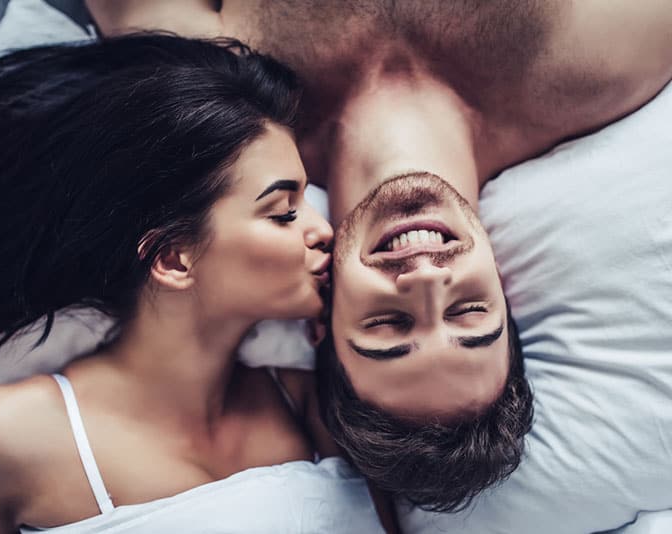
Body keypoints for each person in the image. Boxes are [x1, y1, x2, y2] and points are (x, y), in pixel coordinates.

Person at [85, 0, 672, 512]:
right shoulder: (606, 64)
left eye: (388, 323)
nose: (425, 282)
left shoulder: (219, 95)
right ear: (503, 286)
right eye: (470, 313)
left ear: (321, 322)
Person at [0, 8, 393, 533]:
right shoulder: (5, 437)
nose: (324, 228)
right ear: (172, 258)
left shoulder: (314, 402)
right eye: (284, 212)